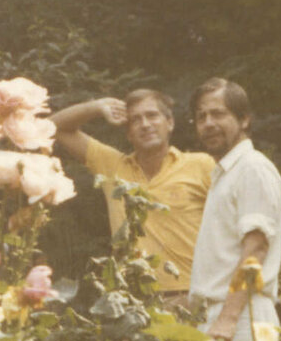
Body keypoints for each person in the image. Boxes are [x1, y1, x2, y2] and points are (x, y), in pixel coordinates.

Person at [50, 89, 217, 301]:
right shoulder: (112, 167)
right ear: (128, 133)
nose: (145, 124)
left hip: (195, 297)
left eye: (152, 115)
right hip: (134, 304)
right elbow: (53, 126)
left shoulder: (202, 164)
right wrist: (97, 106)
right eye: (135, 120)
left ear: (170, 123)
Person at [186, 77, 281, 341]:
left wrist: (228, 319)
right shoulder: (226, 173)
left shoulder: (252, 168)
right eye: (201, 116)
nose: (208, 123)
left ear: (244, 119)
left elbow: (255, 249)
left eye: (218, 114)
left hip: (242, 317)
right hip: (223, 317)